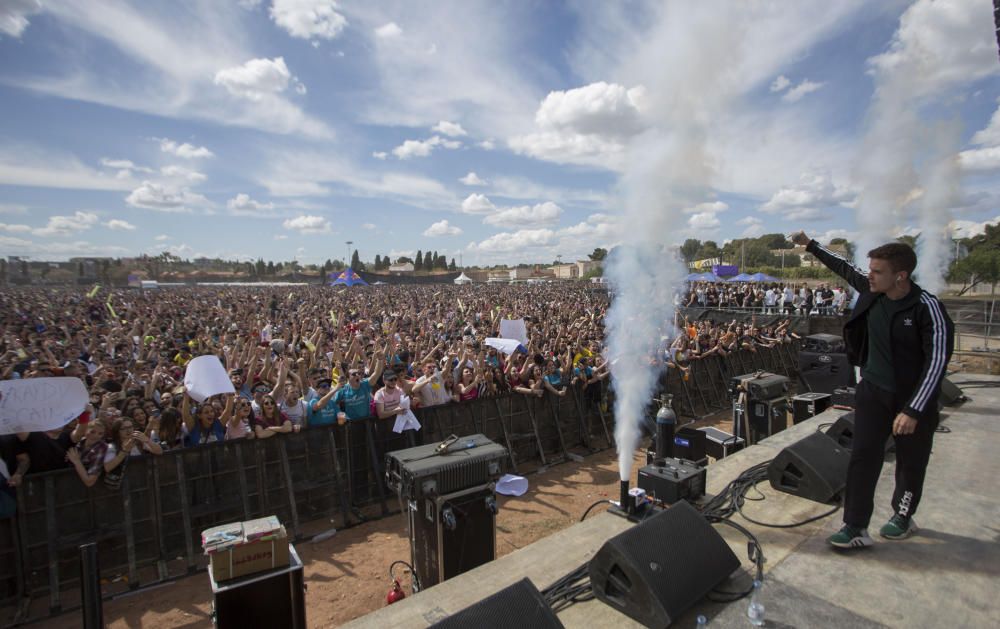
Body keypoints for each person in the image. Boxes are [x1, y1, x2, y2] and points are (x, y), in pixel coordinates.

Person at [791, 231, 954, 549]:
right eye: (871, 270)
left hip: (911, 398)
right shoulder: (871, 290)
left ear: (900, 276)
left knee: (910, 461)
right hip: (873, 392)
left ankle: (902, 516)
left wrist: (914, 409)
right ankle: (854, 526)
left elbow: (936, 362)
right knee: (863, 457)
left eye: (878, 271)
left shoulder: (927, 308)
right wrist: (810, 245)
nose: (870, 276)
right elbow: (843, 266)